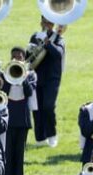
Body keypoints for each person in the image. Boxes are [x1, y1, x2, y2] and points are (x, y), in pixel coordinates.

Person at [0, 47, 37, 175]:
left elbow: (29, 92)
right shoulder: (4, 74)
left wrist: (23, 77)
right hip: (8, 118)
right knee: (7, 153)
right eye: (14, 57)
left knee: (19, 154)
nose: (16, 59)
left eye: (19, 57)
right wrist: (10, 76)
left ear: (24, 59)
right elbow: (3, 91)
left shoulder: (31, 74)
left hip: (22, 119)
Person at [29, 17, 65, 147]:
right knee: (36, 108)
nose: (46, 25)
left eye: (49, 23)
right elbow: (29, 57)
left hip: (52, 78)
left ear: (53, 24)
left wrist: (47, 42)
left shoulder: (58, 38)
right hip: (36, 76)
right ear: (41, 23)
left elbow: (58, 54)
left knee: (48, 106)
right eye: (44, 22)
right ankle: (40, 137)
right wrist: (30, 49)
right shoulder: (35, 36)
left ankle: (51, 135)